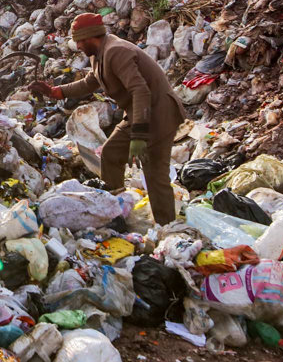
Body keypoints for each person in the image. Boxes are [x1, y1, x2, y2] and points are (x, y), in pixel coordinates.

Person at [30, 13, 185, 225]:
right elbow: (89, 83)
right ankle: (113, 212)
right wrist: (55, 92)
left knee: (154, 174)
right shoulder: (99, 53)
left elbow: (140, 91)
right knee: (111, 154)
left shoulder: (116, 52)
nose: (78, 46)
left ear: (90, 37)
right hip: (138, 113)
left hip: (158, 114)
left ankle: (166, 227)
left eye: (79, 41)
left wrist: (138, 135)